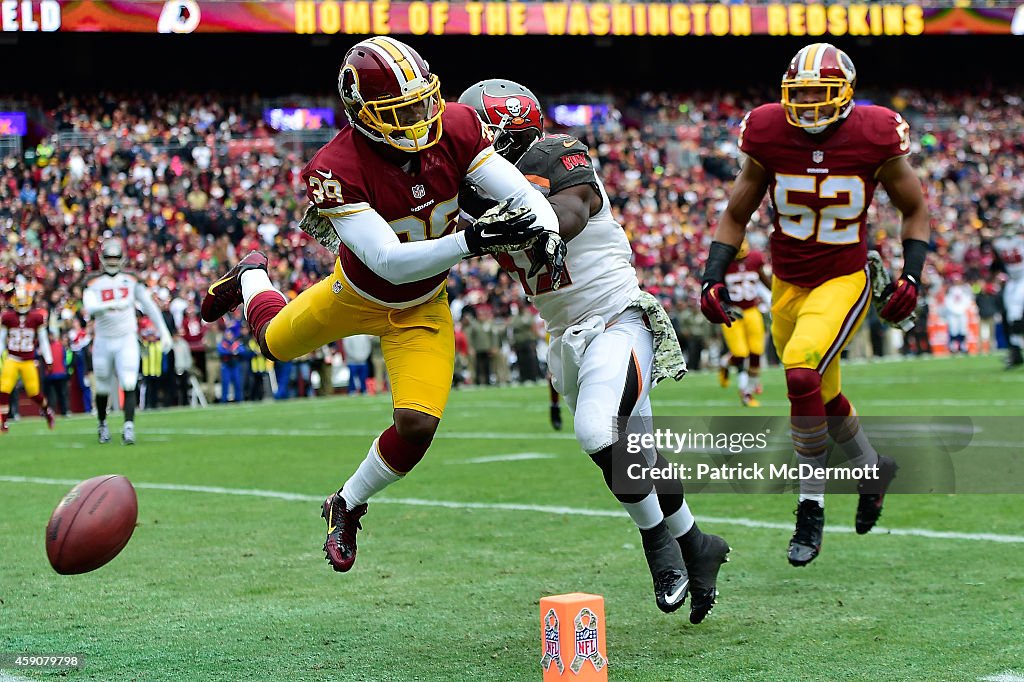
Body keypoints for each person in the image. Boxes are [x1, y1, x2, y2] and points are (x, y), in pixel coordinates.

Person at [201, 37, 563, 574]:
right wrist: (474, 241)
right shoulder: (336, 165)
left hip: (422, 305)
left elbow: (520, 194)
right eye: (402, 111)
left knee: (417, 426)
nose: (420, 119)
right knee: (273, 343)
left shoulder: (458, 125)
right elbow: (390, 261)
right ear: (362, 115)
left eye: (423, 103)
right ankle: (253, 275)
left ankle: (345, 502)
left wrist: (548, 230)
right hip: (357, 293)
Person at [460, 78, 729, 623]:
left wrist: (499, 223)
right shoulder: (473, 190)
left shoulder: (557, 154)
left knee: (595, 429)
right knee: (641, 459)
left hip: (618, 318)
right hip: (568, 337)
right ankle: (699, 546)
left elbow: (569, 214)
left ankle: (661, 548)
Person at [700, 43, 930, 566]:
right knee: (822, 396)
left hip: (843, 277)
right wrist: (713, 274)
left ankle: (810, 505)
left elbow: (914, 209)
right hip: (787, 282)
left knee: (801, 372)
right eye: (798, 93)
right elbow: (737, 212)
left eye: (818, 93)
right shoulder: (767, 130)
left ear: (845, 95)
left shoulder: (875, 133)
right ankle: (873, 470)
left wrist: (911, 273)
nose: (807, 104)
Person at [83, 238, 173, 445]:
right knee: (103, 385)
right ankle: (102, 424)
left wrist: (164, 332)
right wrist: (116, 304)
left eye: (115, 257)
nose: (112, 261)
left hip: (126, 338)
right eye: (109, 257)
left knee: (129, 381)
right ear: (102, 258)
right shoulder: (93, 281)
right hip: (104, 339)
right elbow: (90, 307)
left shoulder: (131, 280)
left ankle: (128, 426)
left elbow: (149, 306)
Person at [716, 240, 771, 406]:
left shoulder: (755, 259)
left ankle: (748, 390)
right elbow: (716, 289)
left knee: (756, 351)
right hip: (733, 313)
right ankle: (743, 388)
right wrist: (723, 307)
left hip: (752, 310)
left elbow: (766, 281)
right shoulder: (723, 264)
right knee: (740, 353)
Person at [0, 290, 55, 432]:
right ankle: (4, 422)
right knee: (4, 389)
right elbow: (1, 340)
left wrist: (48, 359)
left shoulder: (36, 318)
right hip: (12, 358)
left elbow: (43, 340)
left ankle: (47, 411)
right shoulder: (7, 318)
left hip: (28, 360)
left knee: (34, 393)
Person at [992, 218, 1024, 369]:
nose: (1008, 229)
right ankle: (1015, 351)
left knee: (1015, 314)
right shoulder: (998, 244)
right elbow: (997, 264)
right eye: (1006, 225)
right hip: (1012, 280)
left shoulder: (1020, 240)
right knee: (1009, 315)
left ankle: (1016, 351)